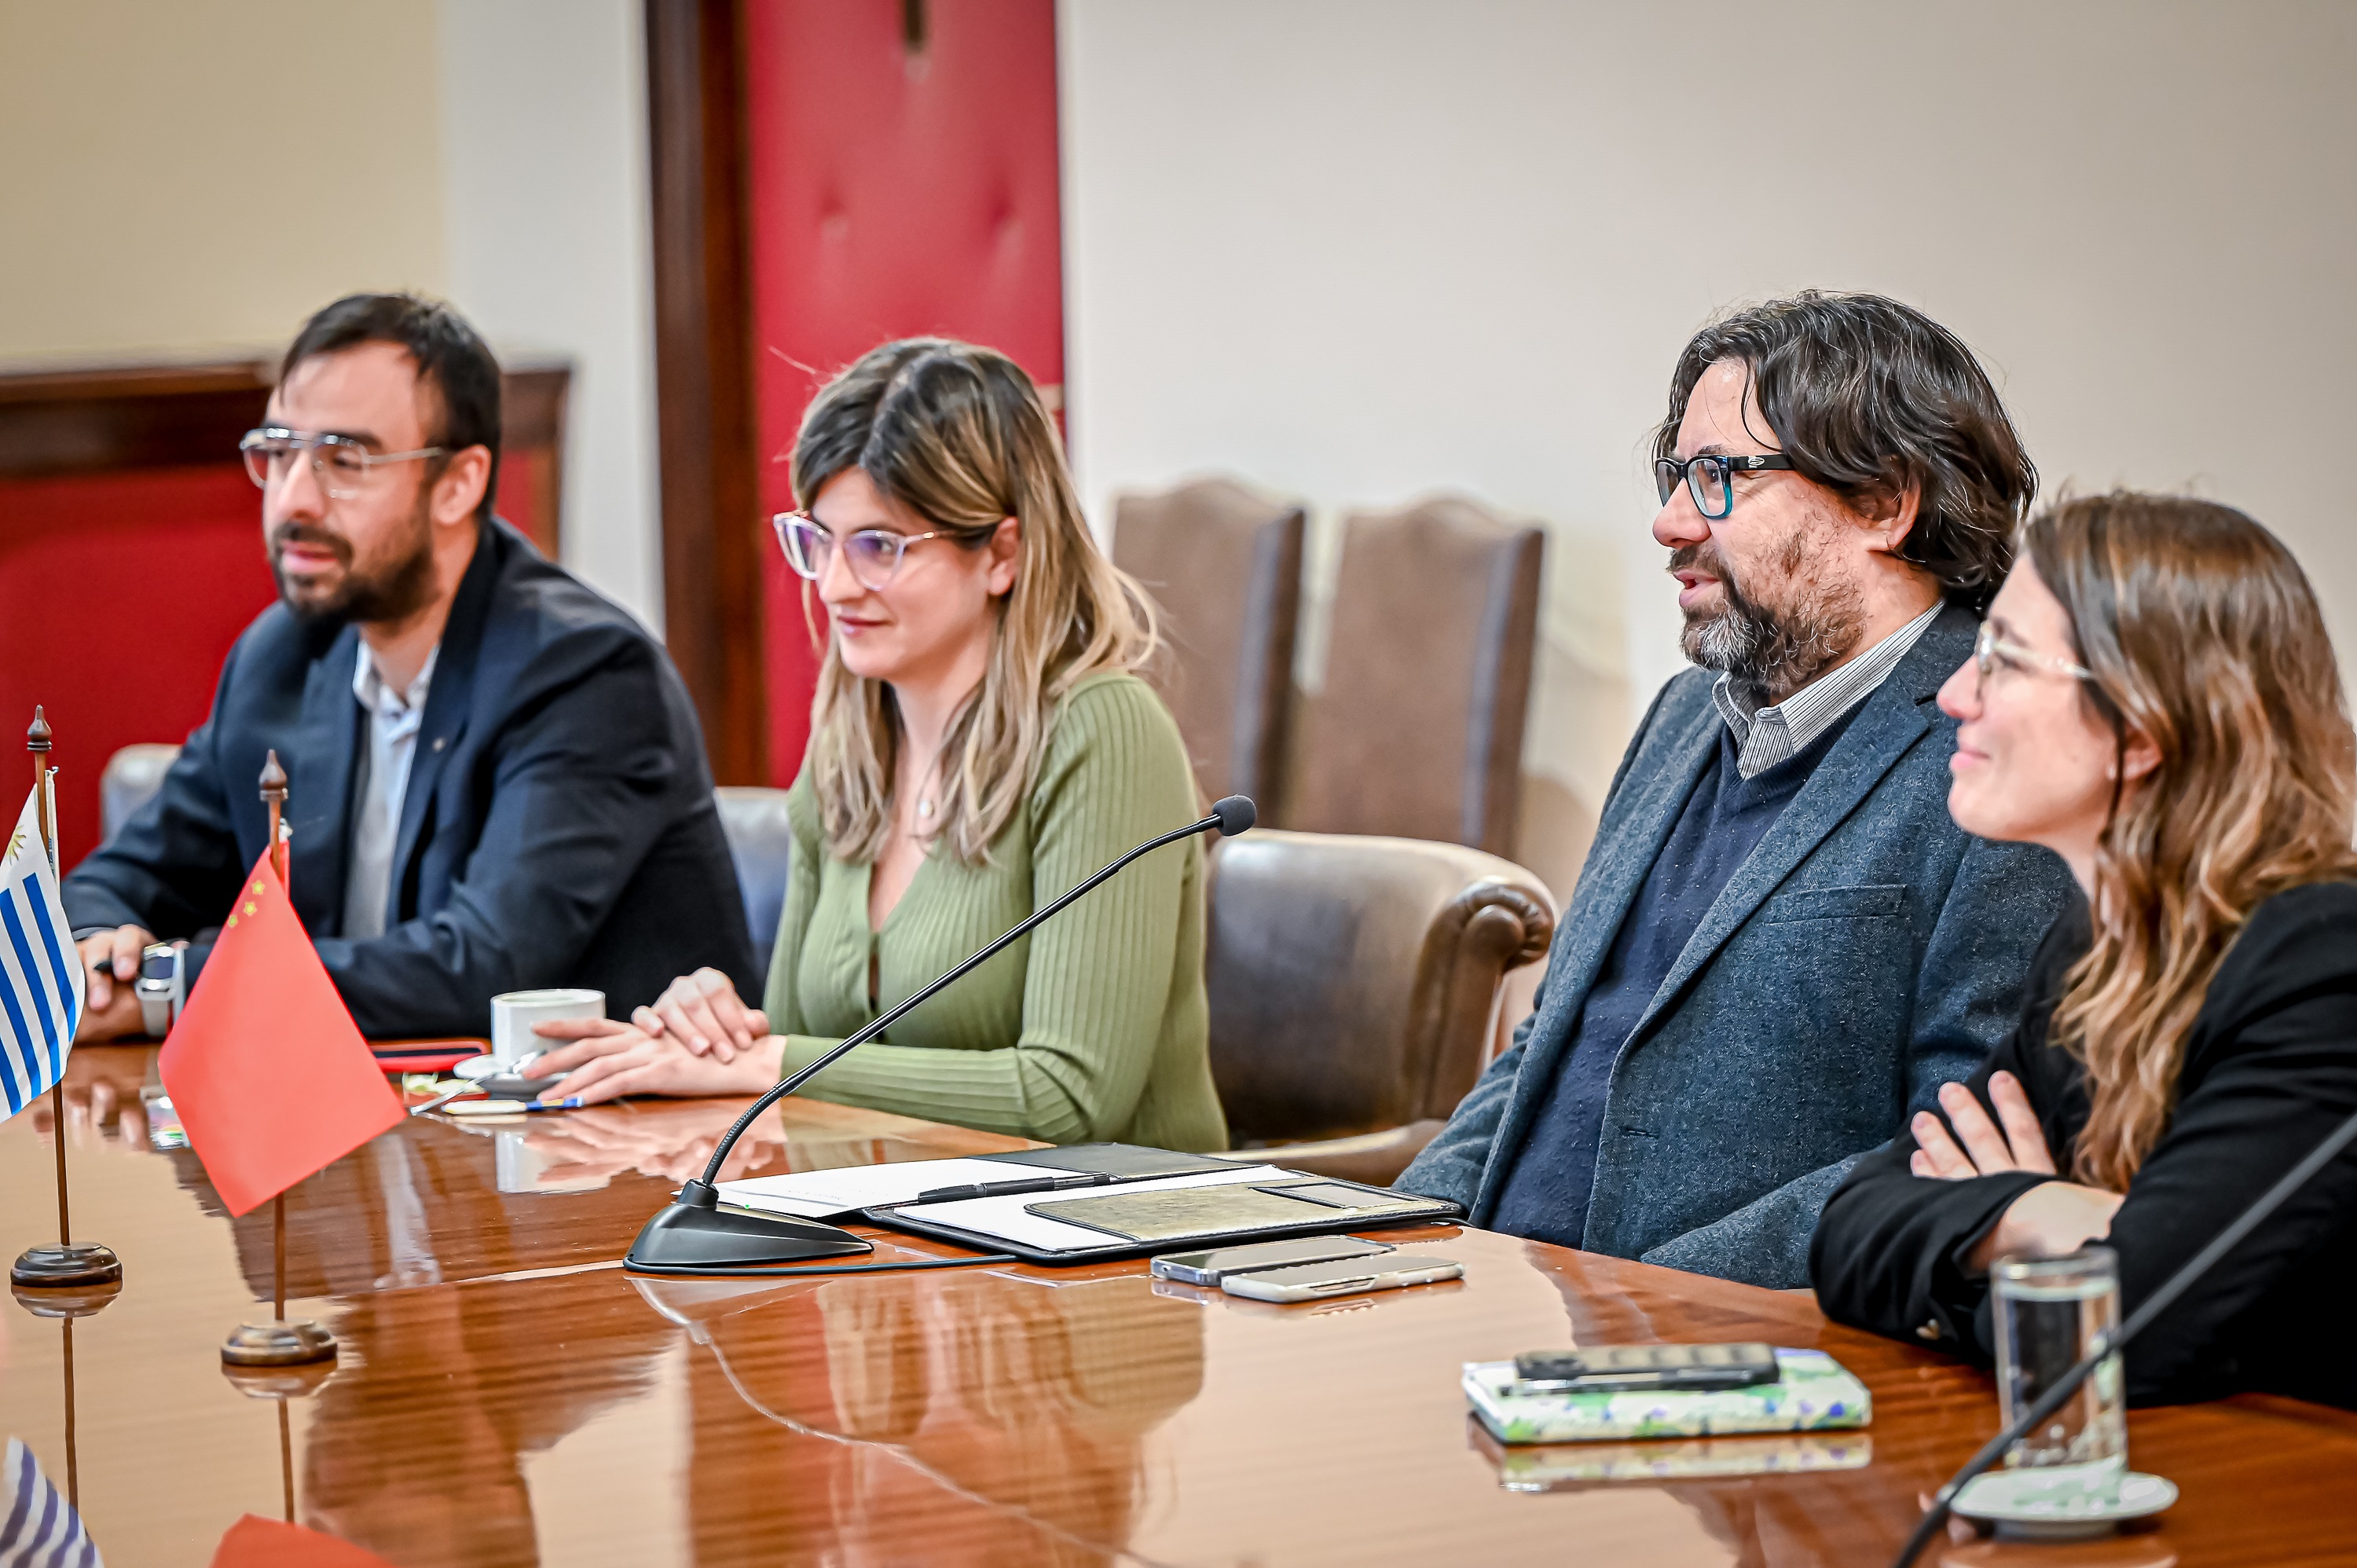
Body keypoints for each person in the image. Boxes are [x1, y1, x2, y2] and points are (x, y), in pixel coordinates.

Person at [1397, 291, 2075, 1287]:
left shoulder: (1992, 748)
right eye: (1676, 475)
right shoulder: (1682, 716)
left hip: (1715, 1349)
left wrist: (1654, 1297)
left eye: (1719, 477)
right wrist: (1387, 1235)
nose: (1671, 522)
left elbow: (1954, 1149)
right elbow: (1547, 1051)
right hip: (1499, 1308)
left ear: (1887, 502)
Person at [532, 338, 1227, 1152]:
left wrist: (769, 1062)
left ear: (1002, 553)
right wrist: (715, 1028)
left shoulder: (1104, 731)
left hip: (1120, 1251)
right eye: (819, 540)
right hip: (899, 1244)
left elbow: (1069, 1099)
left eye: (880, 547)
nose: (832, 585)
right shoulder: (848, 749)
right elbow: (796, 1057)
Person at [66, 291, 755, 1039]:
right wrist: (103, 954)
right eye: (278, 451)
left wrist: (172, 985)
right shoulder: (284, 657)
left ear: (458, 484)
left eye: (344, 460)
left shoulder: (586, 674)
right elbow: (115, 881)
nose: (295, 499)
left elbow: (480, 970)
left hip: (611, 1144)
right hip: (378, 1124)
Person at [1813, 492, 2357, 1409]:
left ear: (2141, 726)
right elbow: (1849, 1231)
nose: (1954, 694)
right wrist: (2039, 1211)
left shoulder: (2321, 963)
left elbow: (2127, 1333)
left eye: (2005, 662)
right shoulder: (2098, 941)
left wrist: (1994, 1250)